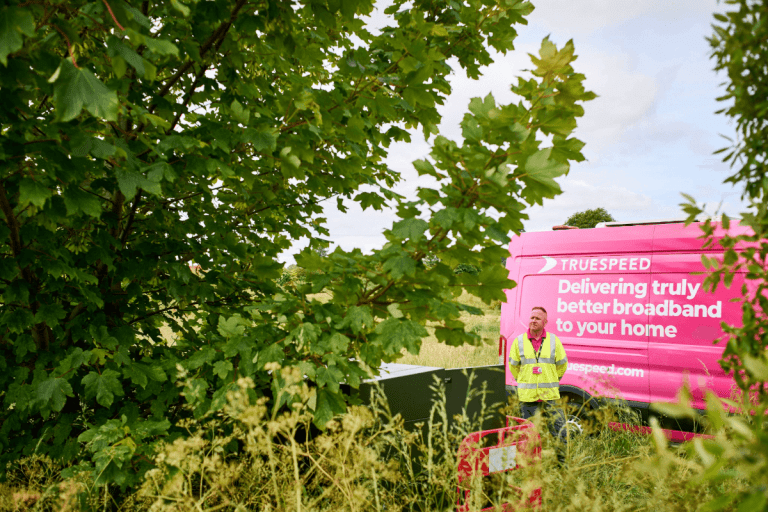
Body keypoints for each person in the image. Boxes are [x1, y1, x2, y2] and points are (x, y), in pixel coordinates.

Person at [508, 306, 569, 445]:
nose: (534, 320)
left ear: (545, 322)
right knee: (529, 436)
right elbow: (513, 366)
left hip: (550, 396)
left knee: (560, 433)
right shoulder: (518, 341)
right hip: (527, 397)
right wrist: (523, 380)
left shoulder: (554, 340)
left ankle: (562, 459)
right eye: (532, 317)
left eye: (537, 318)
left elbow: (562, 364)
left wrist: (553, 379)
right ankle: (532, 459)